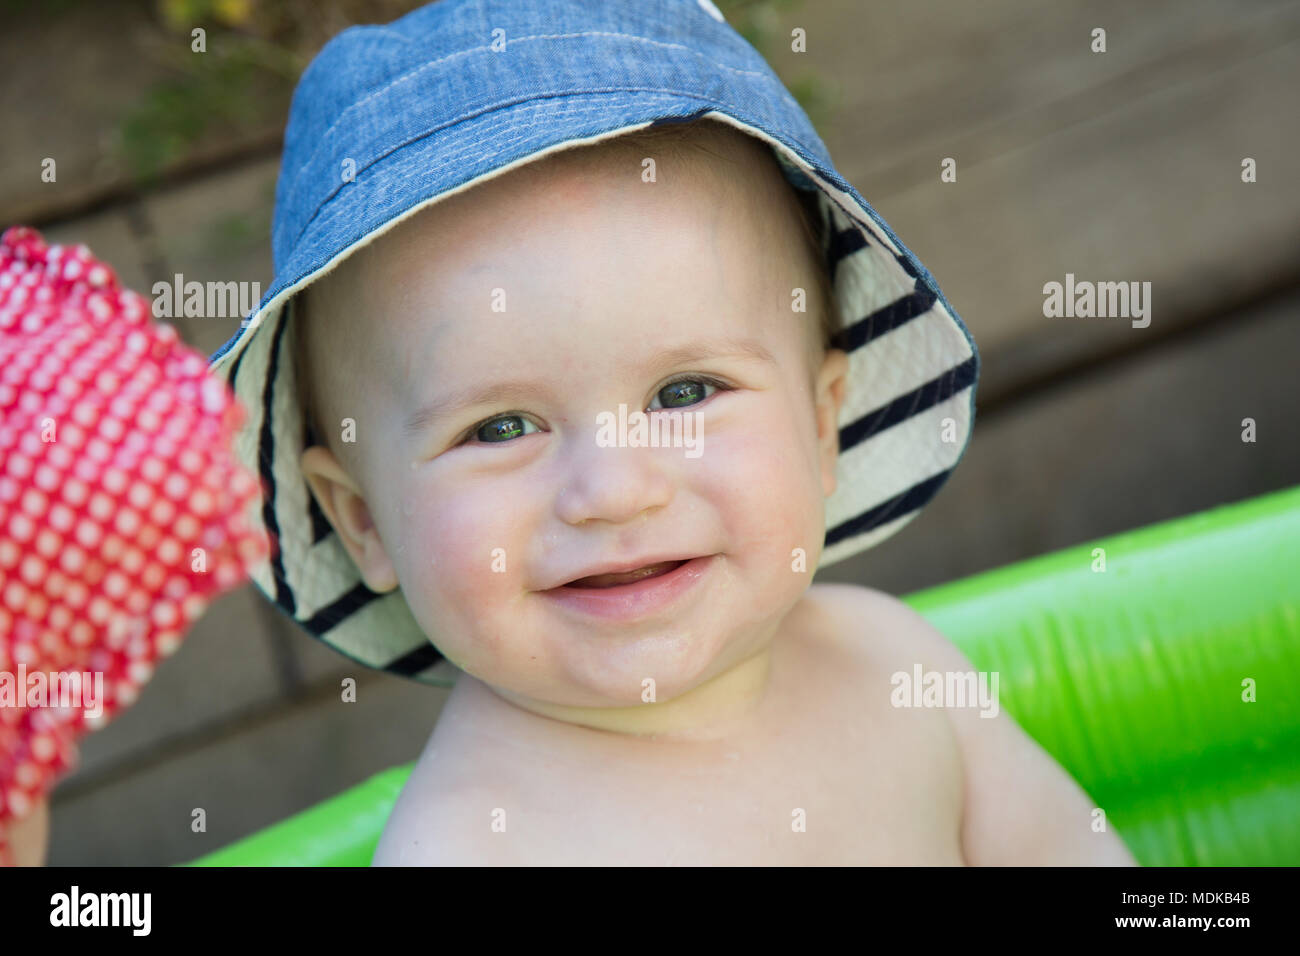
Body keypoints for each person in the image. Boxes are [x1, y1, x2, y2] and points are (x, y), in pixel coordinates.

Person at [208, 0, 1137, 865]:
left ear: (821, 426)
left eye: (686, 390)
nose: (614, 490)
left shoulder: (898, 667)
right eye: (499, 426)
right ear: (363, 519)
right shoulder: (476, 847)